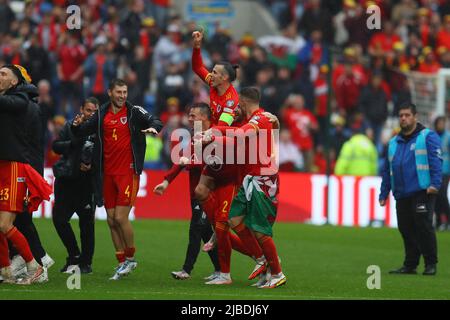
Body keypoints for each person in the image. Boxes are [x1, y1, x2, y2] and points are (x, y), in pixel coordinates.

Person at [71, 79, 163, 280]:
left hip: (128, 172)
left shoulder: (133, 111)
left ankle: (131, 259)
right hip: (106, 173)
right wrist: (76, 126)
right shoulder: (101, 114)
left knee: (121, 218)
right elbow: (82, 130)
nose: (122, 96)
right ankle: (121, 263)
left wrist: (154, 128)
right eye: (119, 92)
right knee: (111, 220)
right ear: (110, 92)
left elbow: (155, 120)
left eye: (125, 92)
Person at [203, 87, 287, 288]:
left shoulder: (259, 119)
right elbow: (239, 132)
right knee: (233, 219)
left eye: (238, 103)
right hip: (251, 179)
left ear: (243, 102)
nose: (235, 107)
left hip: (262, 180)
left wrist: (213, 135)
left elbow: (241, 135)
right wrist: (215, 130)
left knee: (260, 229)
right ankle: (262, 260)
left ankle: (277, 273)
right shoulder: (258, 119)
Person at [153, 103, 221, 281]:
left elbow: (213, 164)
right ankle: (221, 270)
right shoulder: (195, 137)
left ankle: (186, 270)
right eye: (189, 115)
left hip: (209, 194)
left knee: (196, 229)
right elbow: (180, 160)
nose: (189, 119)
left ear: (205, 118)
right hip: (196, 193)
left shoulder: (215, 136)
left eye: (193, 116)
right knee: (207, 234)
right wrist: (166, 181)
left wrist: (189, 162)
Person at [0, 64, 52, 284]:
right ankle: (6, 271)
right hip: (3, 164)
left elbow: (11, 102)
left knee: (5, 224)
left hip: (14, 166)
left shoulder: (21, 100)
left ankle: (35, 264)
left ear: (14, 82)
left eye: (2, 74)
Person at [379, 103, 442, 276]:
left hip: (423, 191)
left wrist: (435, 185)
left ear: (415, 117)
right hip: (402, 193)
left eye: (407, 115)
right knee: (405, 228)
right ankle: (410, 264)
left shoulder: (427, 136)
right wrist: (384, 192)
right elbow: (387, 169)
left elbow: (436, 162)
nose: (403, 118)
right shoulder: (393, 142)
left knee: (423, 226)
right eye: (401, 115)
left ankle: (430, 264)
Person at [52, 97, 99, 274]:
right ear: (81, 110)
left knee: (87, 224)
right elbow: (55, 146)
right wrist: (73, 144)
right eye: (88, 110)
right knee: (59, 219)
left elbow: (105, 156)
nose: (91, 114)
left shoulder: (101, 131)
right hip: (66, 180)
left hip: (86, 183)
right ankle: (74, 255)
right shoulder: (70, 126)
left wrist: (92, 165)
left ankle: (86, 263)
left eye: (94, 112)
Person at [434, 116, 450, 231]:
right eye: (439, 123)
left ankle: (447, 219)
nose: (441, 125)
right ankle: (439, 221)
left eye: (442, 123)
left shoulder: (448, 137)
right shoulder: (433, 137)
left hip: (445, 170)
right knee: (435, 196)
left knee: (442, 195)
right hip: (435, 170)